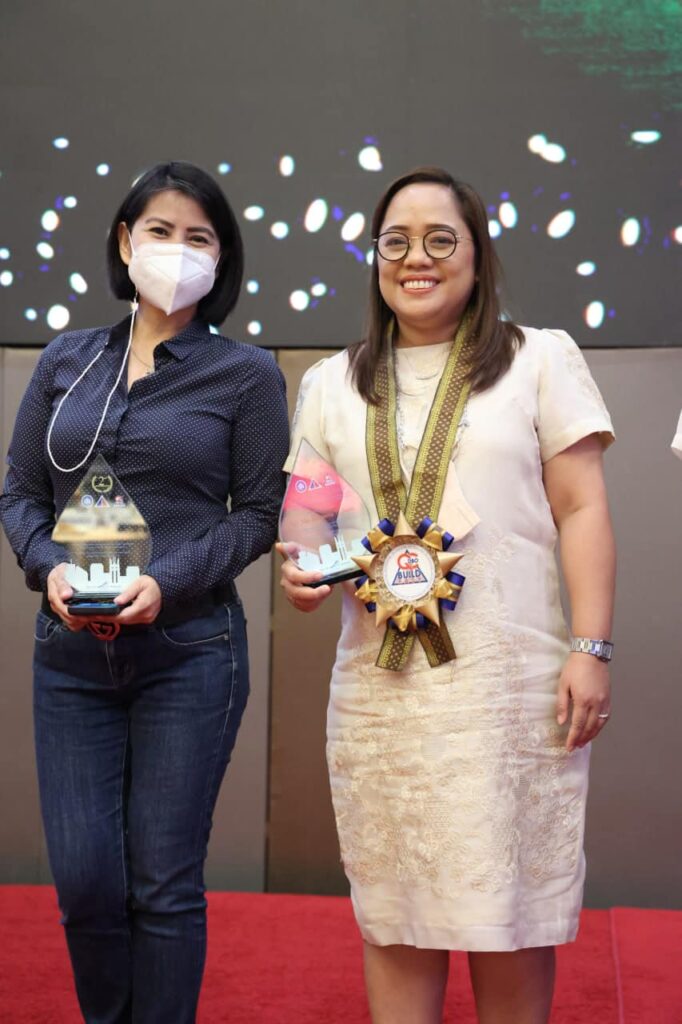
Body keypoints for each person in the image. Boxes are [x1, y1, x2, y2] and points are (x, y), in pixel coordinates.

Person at [279, 167, 615, 1024]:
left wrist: (590, 647)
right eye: (396, 241)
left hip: (511, 689)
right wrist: (307, 564)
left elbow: (581, 509)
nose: (415, 258)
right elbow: (309, 507)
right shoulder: (332, 382)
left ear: (476, 253)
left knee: (510, 915)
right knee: (395, 916)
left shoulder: (539, 360)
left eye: (439, 239)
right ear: (375, 258)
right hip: (381, 693)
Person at [0, 161, 289, 1023]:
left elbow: (260, 516)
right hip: (70, 655)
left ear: (221, 259)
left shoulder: (245, 374)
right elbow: (19, 493)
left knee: (163, 884)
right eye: (160, 231)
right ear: (125, 242)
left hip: (189, 653)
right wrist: (46, 564)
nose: (177, 250)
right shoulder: (67, 358)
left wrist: (167, 581)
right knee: (86, 884)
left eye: (199, 237)